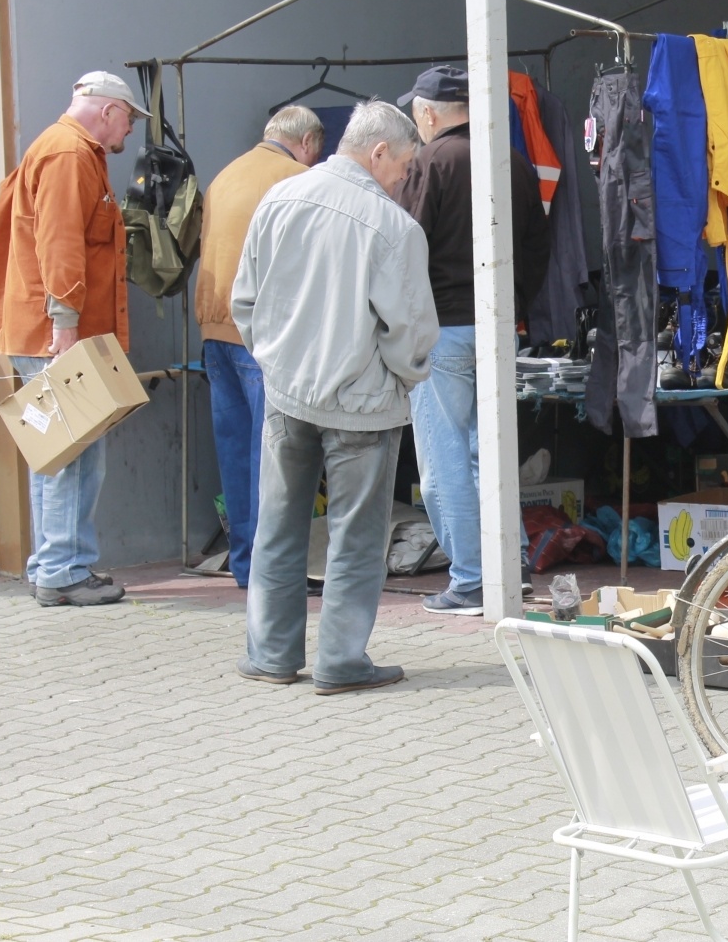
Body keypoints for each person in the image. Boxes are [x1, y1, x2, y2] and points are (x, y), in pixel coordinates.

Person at [231, 100, 438, 694]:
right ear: (378, 153)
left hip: (286, 391)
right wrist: (405, 376)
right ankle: (341, 661)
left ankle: (271, 654)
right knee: (357, 535)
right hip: (363, 404)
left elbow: (246, 300)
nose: (403, 179)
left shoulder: (280, 198)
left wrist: (274, 358)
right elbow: (411, 332)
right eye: (402, 167)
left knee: (279, 523)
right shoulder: (394, 227)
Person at [0, 70, 149, 608]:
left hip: (48, 328)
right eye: (128, 119)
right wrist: (66, 322)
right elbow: (60, 242)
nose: (129, 133)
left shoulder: (61, 149)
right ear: (107, 111)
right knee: (73, 452)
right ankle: (62, 570)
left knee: (55, 450)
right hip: (59, 332)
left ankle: (53, 564)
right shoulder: (71, 155)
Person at [395, 67, 549, 616]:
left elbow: (406, 245)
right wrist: (513, 311)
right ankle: (514, 567)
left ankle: (470, 580)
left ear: (430, 114)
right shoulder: (513, 162)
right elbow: (537, 247)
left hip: (443, 327)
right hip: (499, 326)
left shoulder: (432, 161)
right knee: (494, 453)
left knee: (443, 462)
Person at [195, 106, 323, 589]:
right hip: (261, 334)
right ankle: (277, 573)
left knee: (237, 454)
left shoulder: (225, 175)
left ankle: (248, 566)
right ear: (308, 142)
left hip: (214, 331)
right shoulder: (297, 179)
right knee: (275, 457)